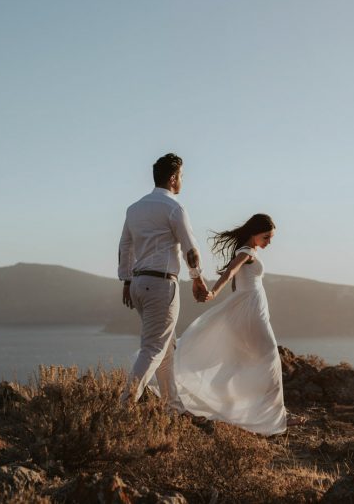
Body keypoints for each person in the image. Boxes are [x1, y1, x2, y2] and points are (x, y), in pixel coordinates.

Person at [174, 213, 301, 436]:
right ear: (254, 233)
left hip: (250, 310)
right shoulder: (246, 252)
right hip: (249, 312)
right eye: (266, 237)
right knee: (269, 356)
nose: (269, 242)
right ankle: (274, 416)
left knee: (243, 359)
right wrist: (213, 292)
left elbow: (236, 282)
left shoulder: (251, 251)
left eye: (270, 238)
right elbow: (231, 272)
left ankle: (249, 409)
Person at [118, 153, 211, 407]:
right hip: (161, 284)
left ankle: (173, 407)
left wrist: (126, 280)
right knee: (154, 348)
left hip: (138, 284)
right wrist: (197, 278)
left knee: (166, 348)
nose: (182, 181)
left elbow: (125, 247)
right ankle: (125, 404)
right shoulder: (174, 208)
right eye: (181, 176)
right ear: (173, 178)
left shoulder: (134, 209)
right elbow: (191, 248)